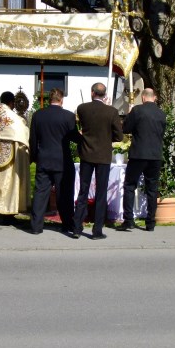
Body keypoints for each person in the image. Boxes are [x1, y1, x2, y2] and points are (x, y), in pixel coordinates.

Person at [73, 82, 123, 239]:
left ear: (92, 93)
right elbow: (119, 136)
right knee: (101, 193)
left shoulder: (82, 108)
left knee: (83, 190)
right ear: (105, 95)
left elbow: (81, 125)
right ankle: (97, 230)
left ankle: (76, 227)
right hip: (103, 156)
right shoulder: (112, 112)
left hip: (87, 154)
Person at [29, 88, 81, 235]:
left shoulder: (38, 115)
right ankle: (67, 224)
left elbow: (33, 139)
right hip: (62, 160)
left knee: (40, 193)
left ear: (48, 99)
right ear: (62, 99)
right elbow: (74, 137)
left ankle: (36, 226)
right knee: (64, 194)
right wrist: (80, 136)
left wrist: (33, 156)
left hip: (44, 158)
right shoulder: (68, 116)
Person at [117, 88, 167, 232]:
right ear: (154, 98)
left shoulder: (138, 110)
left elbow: (126, 128)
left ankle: (128, 220)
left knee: (130, 185)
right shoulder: (161, 113)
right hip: (155, 154)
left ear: (143, 98)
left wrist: (129, 115)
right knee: (152, 188)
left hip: (139, 153)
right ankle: (150, 222)